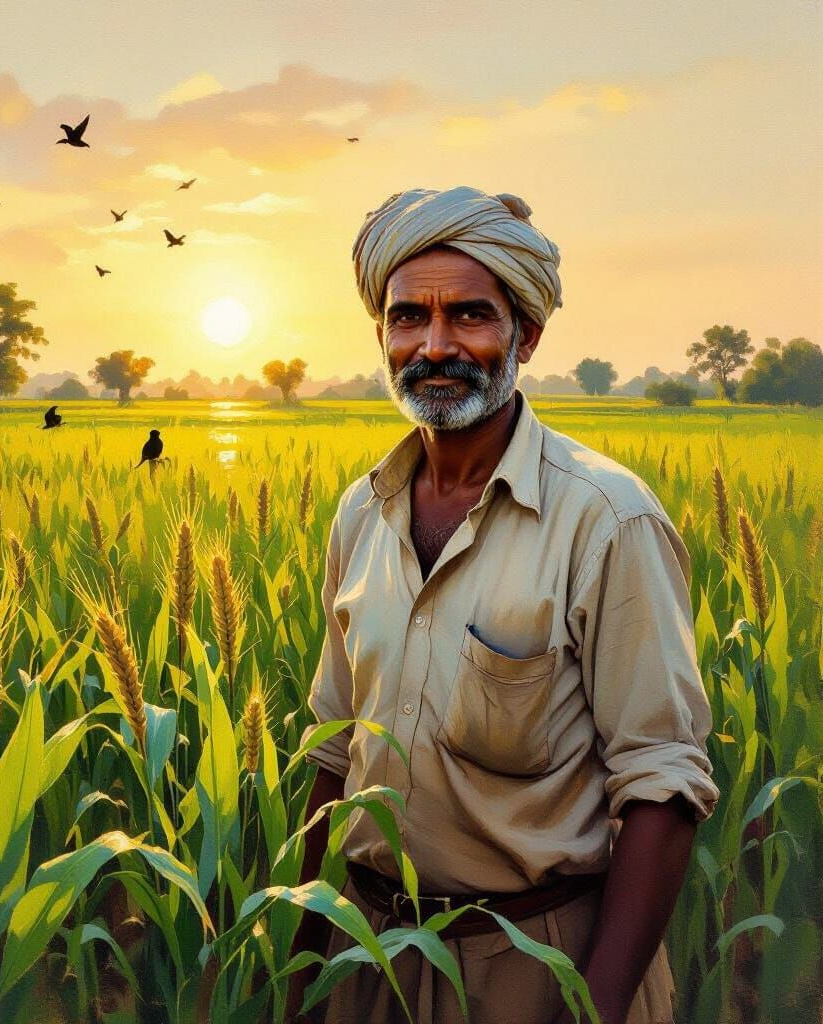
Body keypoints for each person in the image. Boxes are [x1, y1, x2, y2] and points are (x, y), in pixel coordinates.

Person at [284, 186, 718, 1024]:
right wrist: (302, 971)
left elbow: (661, 786)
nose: (435, 347)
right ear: (382, 332)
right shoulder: (359, 513)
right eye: (408, 318)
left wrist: (591, 1009)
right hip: (365, 957)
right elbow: (334, 756)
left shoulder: (606, 519)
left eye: (470, 318)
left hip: (534, 966)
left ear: (528, 333)